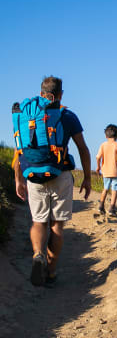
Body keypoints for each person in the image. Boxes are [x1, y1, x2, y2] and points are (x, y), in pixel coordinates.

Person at [14, 76, 91, 286]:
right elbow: (83, 148)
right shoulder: (67, 115)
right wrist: (86, 178)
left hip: (32, 173)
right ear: (61, 94)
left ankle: (38, 254)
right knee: (57, 225)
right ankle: (51, 272)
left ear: (41, 92)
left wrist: (17, 179)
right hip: (60, 174)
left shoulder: (26, 114)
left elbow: (19, 148)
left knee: (38, 221)